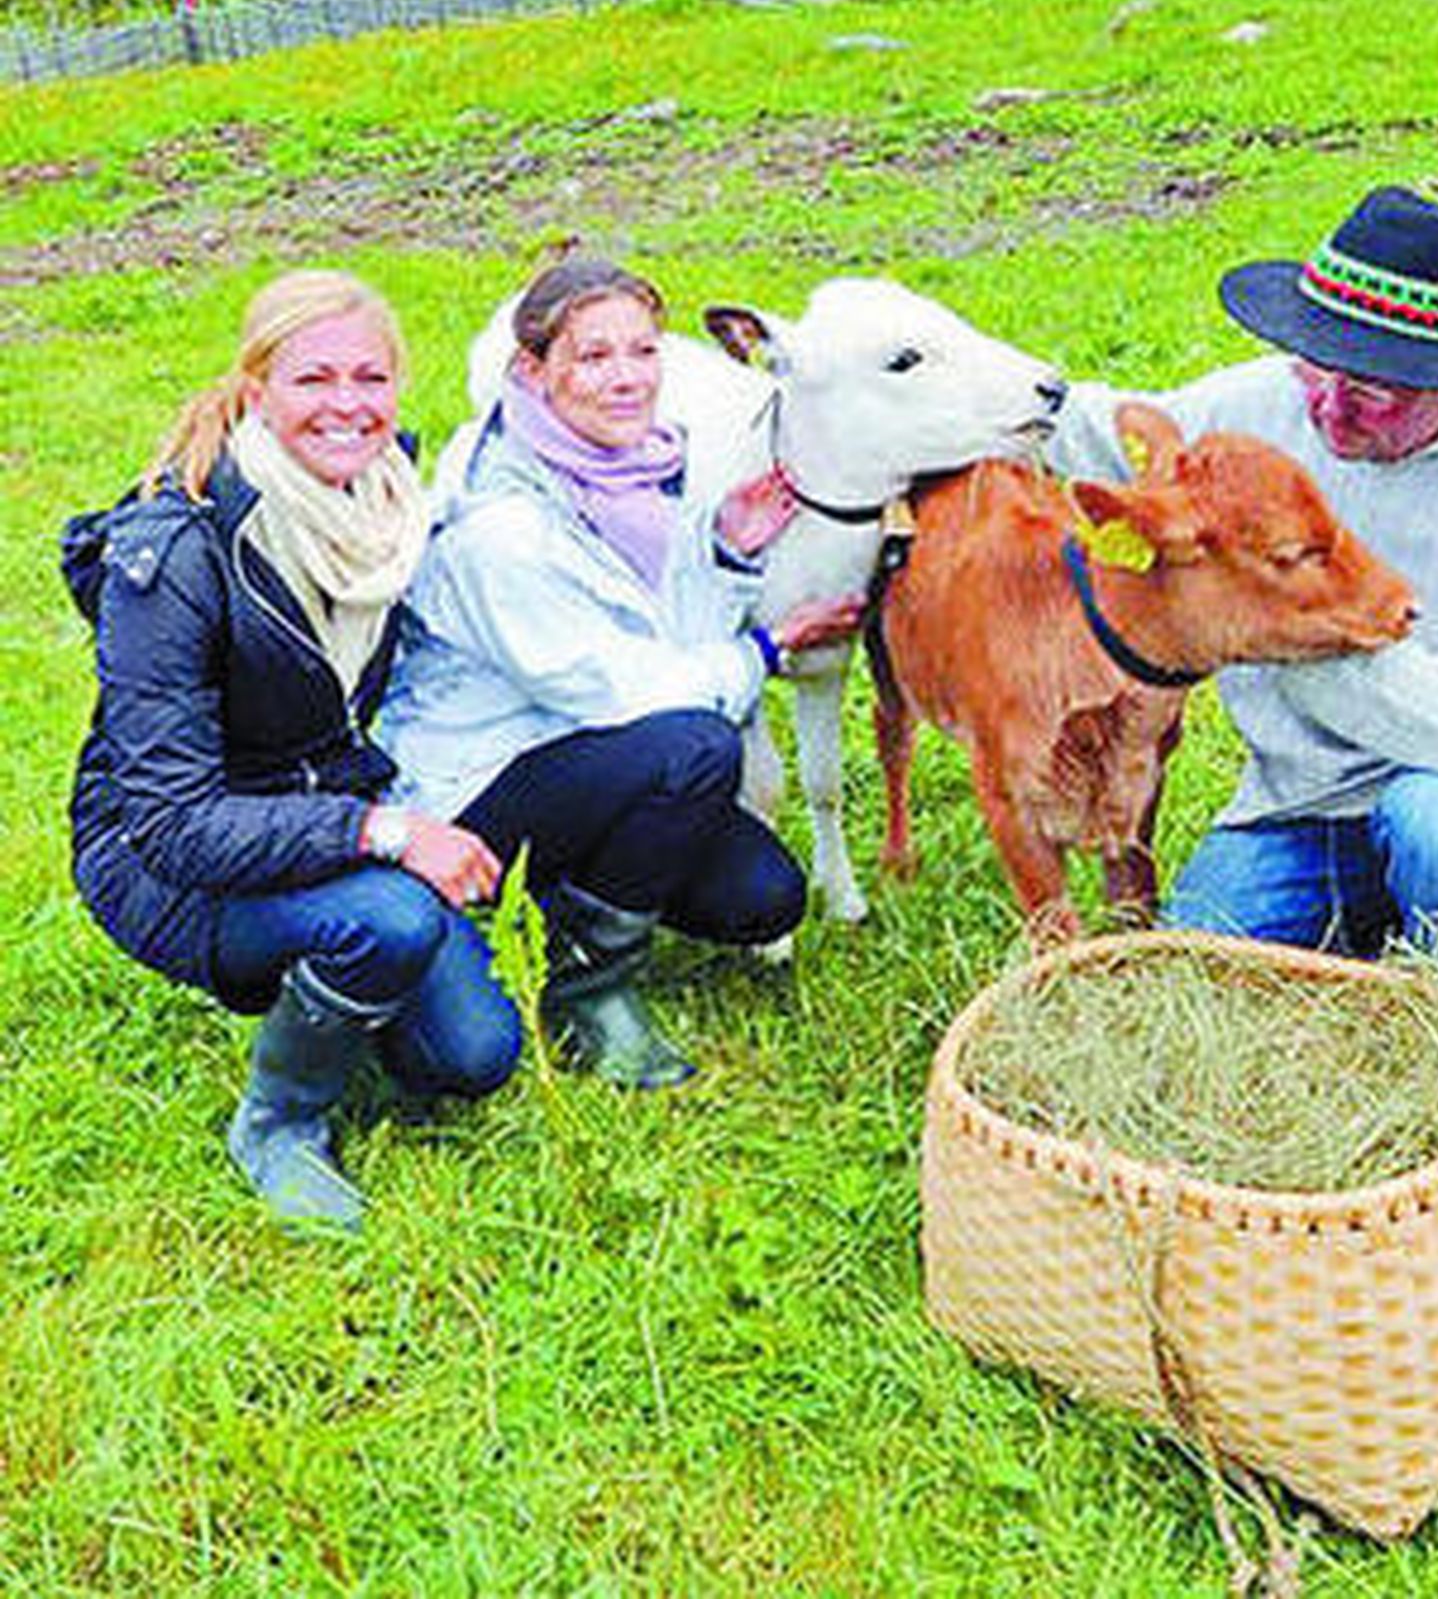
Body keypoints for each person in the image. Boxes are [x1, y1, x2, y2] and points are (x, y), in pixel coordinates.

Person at [1048, 185, 1438, 1038]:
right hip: (1303, 802)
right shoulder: (1274, 402)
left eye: (1373, 392)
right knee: (1195, 975)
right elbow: (1098, 433)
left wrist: (1311, 655)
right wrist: (962, 391)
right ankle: (1365, 925)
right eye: (1316, 369)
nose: (1328, 411)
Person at [65, 270, 521, 1231]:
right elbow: (174, 823)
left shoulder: (384, 502)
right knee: (391, 921)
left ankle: (338, 977)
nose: (348, 406)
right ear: (257, 385)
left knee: (471, 1057)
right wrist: (384, 831)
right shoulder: (177, 548)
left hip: (303, 810)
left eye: (372, 376)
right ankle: (279, 1122)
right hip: (163, 860)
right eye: (314, 379)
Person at [380, 253, 863, 1088]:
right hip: (477, 785)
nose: (628, 378)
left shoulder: (631, 470)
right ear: (532, 371)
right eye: (595, 357)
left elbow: (663, 639)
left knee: (764, 898)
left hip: (582, 756)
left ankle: (570, 895)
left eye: (643, 352)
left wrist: (724, 554)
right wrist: (764, 649)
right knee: (697, 750)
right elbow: (631, 694)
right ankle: (589, 987)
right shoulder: (503, 529)